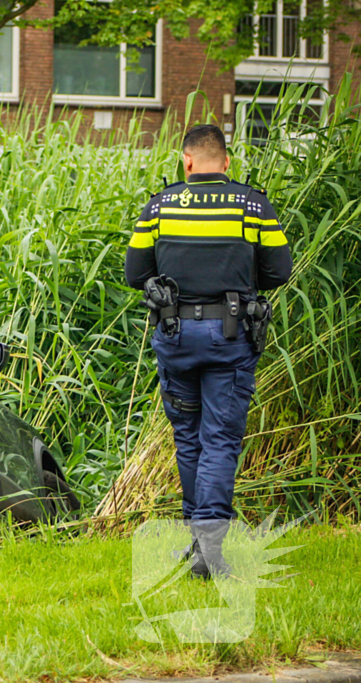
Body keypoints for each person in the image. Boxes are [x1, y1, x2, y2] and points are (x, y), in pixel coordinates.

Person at [125, 124, 292, 579]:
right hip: (230, 336)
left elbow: (135, 273)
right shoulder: (252, 205)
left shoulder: (159, 206)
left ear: (187, 160)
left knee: (189, 438)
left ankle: (198, 542)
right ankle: (208, 549)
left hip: (175, 335)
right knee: (219, 439)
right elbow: (279, 272)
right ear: (227, 161)